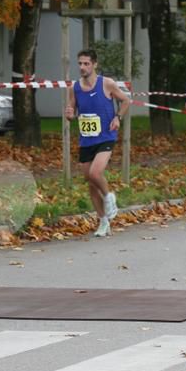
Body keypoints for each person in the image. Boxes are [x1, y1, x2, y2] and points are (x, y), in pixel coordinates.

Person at [64, 49, 131, 237]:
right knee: (91, 182)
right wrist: (69, 115)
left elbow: (126, 101)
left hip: (106, 136)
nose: (82, 67)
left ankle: (110, 197)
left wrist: (118, 117)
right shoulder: (74, 87)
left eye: (86, 63)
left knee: (95, 172)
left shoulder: (107, 83)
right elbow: (71, 110)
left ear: (94, 65)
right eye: (80, 63)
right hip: (87, 139)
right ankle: (103, 222)